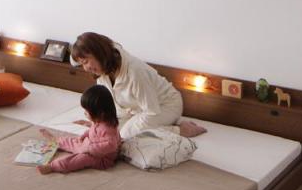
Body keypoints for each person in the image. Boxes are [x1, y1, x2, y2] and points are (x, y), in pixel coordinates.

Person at [70, 32, 206, 140]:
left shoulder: (135, 71)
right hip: (135, 109)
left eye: (86, 61)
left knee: (125, 136)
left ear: (99, 53)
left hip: (164, 106)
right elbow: (112, 106)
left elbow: (151, 110)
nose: (86, 68)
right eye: (82, 64)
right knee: (109, 132)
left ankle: (180, 129)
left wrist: (127, 127)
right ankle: (170, 123)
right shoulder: (103, 72)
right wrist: (98, 123)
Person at [38, 85, 121, 175]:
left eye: (87, 111)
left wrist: (89, 149)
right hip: (90, 145)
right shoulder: (99, 120)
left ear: (100, 113)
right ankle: (56, 141)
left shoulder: (108, 129)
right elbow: (92, 130)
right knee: (72, 141)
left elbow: (111, 146)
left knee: (80, 159)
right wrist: (85, 135)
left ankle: (53, 166)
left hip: (101, 158)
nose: (84, 113)